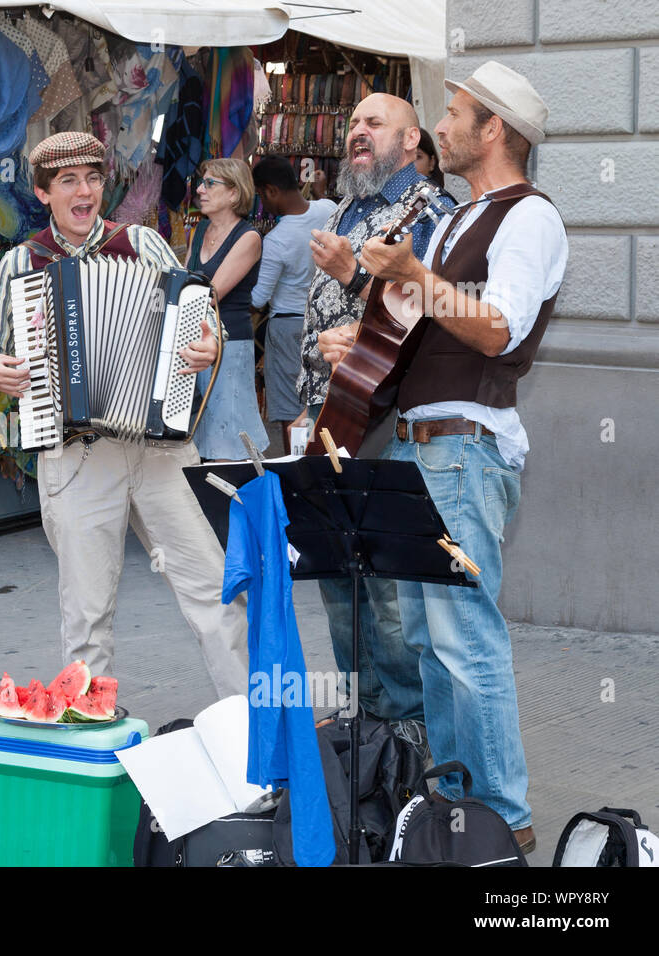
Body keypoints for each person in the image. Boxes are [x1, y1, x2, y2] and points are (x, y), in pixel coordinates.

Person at [339, 61, 566, 852]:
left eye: (459, 112)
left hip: (465, 451)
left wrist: (412, 275)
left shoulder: (529, 218)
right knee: (437, 645)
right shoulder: (471, 215)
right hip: (424, 447)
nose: (445, 126)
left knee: (465, 639)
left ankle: (502, 813)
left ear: (495, 129)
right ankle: (461, 807)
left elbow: (498, 329)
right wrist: (368, 308)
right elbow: (433, 322)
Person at [0, 131, 250, 703]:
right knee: (87, 612)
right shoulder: (21, 263)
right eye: (68, 181)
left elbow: (203, 322)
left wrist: (209, 347)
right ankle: (89, 738)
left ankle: (254, 733)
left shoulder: (141, 243)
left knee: (215, 590)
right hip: (76, 452)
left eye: (93, 179)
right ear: (44, 193)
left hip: (161, 448)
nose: (85, 191)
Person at [293, 93, 455, 731]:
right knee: (337, 580)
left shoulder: (430, 212)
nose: (357, 131)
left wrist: (357, 312)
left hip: (380, 423)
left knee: (385, 591)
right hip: (326, 417)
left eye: (374, 123)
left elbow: (420, 318)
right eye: (354, 122)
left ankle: (405, 734)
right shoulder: (346, 208)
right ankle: (364, 726)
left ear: (412, 141)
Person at [249, 156, 337, 454]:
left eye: (260, 195)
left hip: (287, 327)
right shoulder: (328, 209)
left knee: (290, 406)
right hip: (327, 323)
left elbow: (258, 298)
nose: (262, 203)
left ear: (271, 190)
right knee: (320, 402)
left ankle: (293, 468)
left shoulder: (275, 241)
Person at [183, 157, 267, 459]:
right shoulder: (199, 229)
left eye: (210, 183)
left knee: (229, 434)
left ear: (234, 193)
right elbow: (185, 279)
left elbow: (210, 294)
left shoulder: (248, 237)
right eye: (201, 182)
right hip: (195, 342)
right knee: (201, 430)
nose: (200, 190)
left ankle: (239, 497)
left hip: (230, 344)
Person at [414, 129, 458, 204]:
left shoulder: (442, 203)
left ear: (431, 162)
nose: (409, 164)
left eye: (417, 157)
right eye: (401, 158)